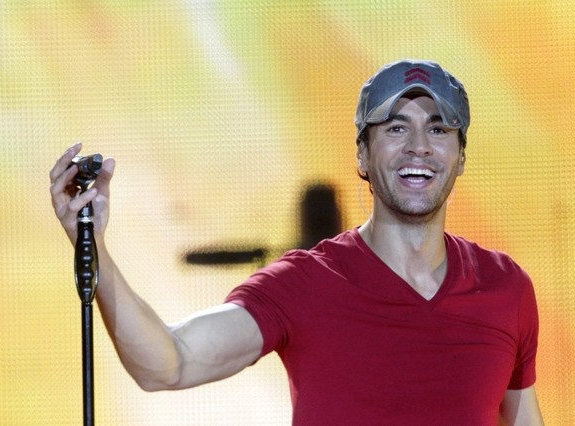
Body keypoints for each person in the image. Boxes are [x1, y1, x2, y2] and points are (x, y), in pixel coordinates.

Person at [50, 59, 543, 425]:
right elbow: (168, 363)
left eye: (438, 129)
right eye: (396, 128)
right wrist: (93, 247)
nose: (419, 146)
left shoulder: (506, 288)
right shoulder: (304, 284)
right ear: (362, 155)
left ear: (460, 157)